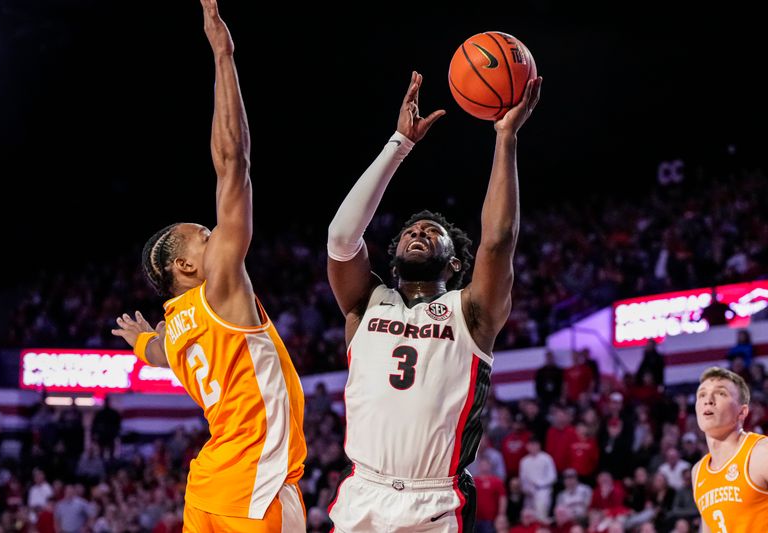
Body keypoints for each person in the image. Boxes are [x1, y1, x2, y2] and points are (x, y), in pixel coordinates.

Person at [110, 1, 306, 531]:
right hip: (255, 491)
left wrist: (140, 339)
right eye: (205, 235)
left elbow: (158, 355)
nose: (216, 234)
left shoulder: (176, 332)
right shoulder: (220, 288)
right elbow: (232, 162)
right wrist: (224, 55)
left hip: (206, 492)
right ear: (188, 267)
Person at [326, 68, 542, 533]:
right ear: (395, 252)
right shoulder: (366, 303)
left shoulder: (472, 311)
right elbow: (342, 236)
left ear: (455, 264)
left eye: (432, 232)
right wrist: (398, 145)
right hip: (362, 492)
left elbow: (498, 241)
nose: (419, 233)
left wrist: (505, 139)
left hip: (435, 500)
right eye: (411, 231)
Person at [692, 366, 768, 532]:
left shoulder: (761, 453)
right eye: (702, 394)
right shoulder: (698, 472)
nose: (708, 399)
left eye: (721, 393)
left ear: (741, 412)